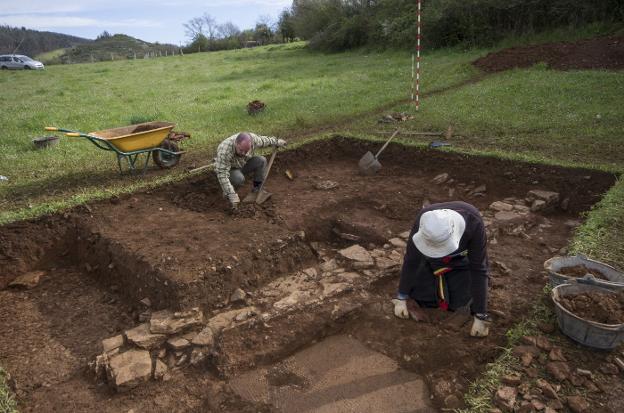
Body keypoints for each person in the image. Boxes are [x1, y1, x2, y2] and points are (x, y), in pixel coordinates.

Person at [392, 201, 491, 337]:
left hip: (461, 262)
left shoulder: (473, 223)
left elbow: (479, 268)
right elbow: (411, 260)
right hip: (431, 261)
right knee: (420, 296)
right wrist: (402, 296)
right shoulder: (423, 220)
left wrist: (481, 315)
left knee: (461, 302)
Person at [215, 132, 286, 210]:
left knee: (261, 160)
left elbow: (264, 141)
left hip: (242, 164)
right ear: (236, 143)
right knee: (239, 179)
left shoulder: (253, 140)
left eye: (246, 151)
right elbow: (222, 174)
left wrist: (276, 142)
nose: (243, 153)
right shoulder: (224, 150)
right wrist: (231, 194)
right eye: (241, 150)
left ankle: (257, 190)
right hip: (230, 169)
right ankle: (228, 194)